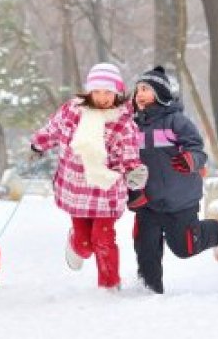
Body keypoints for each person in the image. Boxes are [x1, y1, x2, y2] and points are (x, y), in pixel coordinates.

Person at [29, 63, 147, 290]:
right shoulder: (72, 111)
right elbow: (53, 129)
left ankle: (109, 285)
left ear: (117, 92)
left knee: (103, 239)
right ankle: (75, 241)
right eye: (97, 91)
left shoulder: (123, 122)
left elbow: (129, 153)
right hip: (76, 190)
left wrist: (133, 170)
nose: (102, 98)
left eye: (108, 92)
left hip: (106, 192)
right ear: (89, 91)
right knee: (85, 245)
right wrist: (38, 144)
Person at [131, 66, 218, 294]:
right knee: (145, 248)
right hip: (147, 202)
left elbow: (197, 149)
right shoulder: (132, 126)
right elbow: (125, 160)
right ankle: (149, 290)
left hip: (179, 199)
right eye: (137, 90)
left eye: (145, 89)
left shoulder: (175, 121)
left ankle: (216, 230)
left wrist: (190, 159)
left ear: (160, 92)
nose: (139, 94)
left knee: (185, 247)